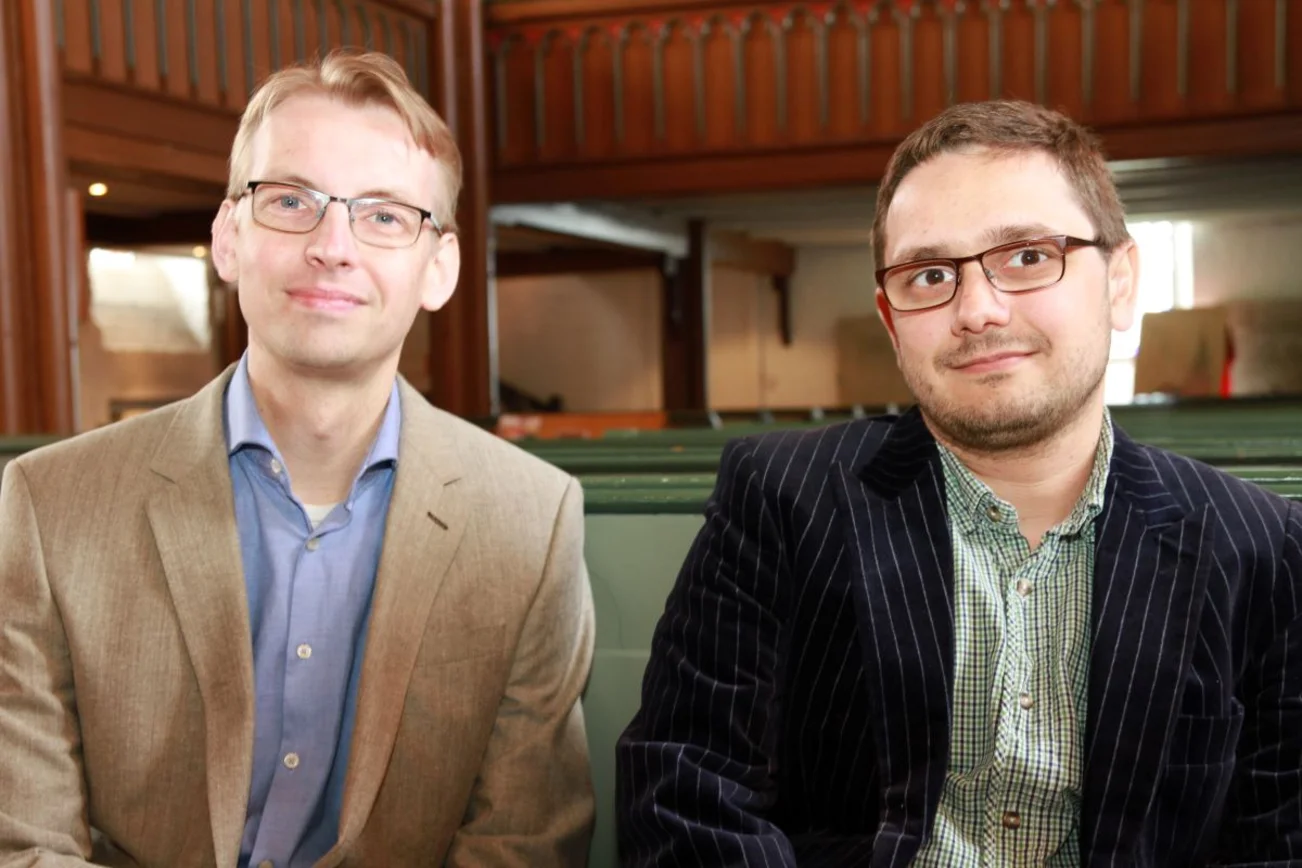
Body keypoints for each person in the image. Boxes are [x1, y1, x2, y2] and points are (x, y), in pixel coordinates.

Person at [616, 100, 1302, 866]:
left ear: (1119, 280)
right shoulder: (782, 499)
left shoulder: (1261, 545)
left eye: (1028, 257)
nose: (977, 309)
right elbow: (686, 792)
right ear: (889, 316)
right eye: (930, 274)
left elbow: (1276, 833)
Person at [0, 50, 595, 867]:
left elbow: (523, 845)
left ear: (441, 268)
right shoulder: (48, 503)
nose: (332, 246)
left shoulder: (532, 521)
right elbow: (26, 843)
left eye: (385, 216)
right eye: (290, 201)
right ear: (228, 237)